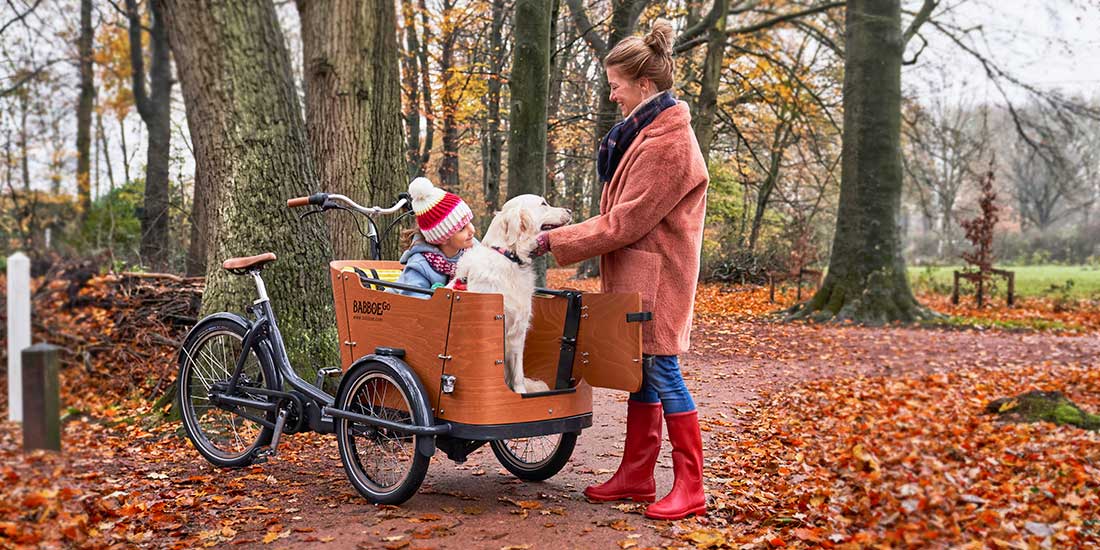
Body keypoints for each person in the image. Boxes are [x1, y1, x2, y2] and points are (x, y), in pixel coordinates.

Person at [535, 20, 708, 520]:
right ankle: (636, 476)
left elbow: (624, 221)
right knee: (643, 376)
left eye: (616, 86)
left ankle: (690, 486)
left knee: (662, 371)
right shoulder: (646, 132)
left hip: (659, 279)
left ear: (645, 86)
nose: (612, 96)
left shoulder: (668, 144)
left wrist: (551, 241)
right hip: (641, 277)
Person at [392, 177, 476, 296]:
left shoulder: (474, 252)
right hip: (406, 310)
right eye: (462, 229)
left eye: (469, 222)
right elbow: (413, 300)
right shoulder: (421, 265)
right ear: (444, 238)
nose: (472, 230)